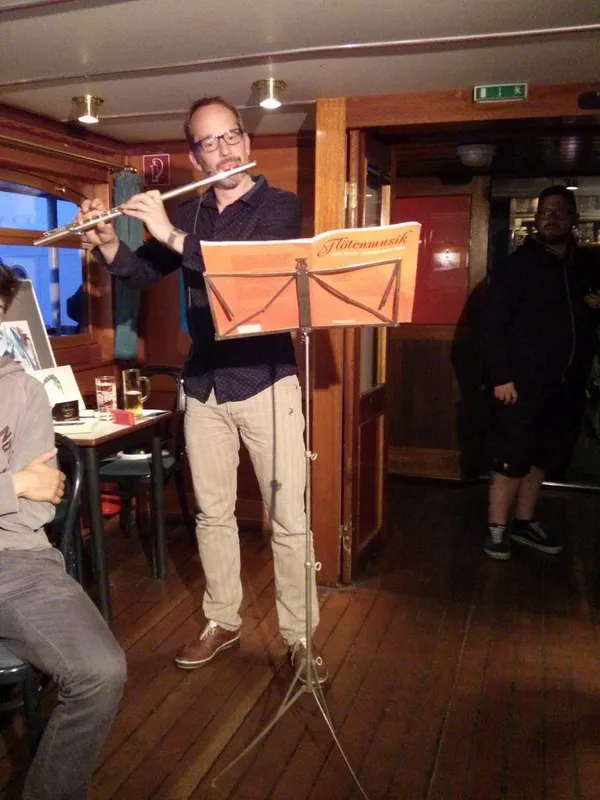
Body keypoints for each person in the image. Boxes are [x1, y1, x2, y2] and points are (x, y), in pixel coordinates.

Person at [76, 96, 327, 684]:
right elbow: (141, 271)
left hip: (267, 379)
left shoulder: (278, 206)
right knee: (213, 515)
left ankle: (299, 638)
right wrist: (110, 241)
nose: (224, 150)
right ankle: (223, 619)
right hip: (204, 385)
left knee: (289, 518)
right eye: (210, 143)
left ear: (248, 142)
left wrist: (166, 231)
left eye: (231, 136)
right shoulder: (188, 216)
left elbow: (243, 273)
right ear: (194, 156)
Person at [0, 265, 127, 799]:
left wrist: (22, 491)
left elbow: (34, 513)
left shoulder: (23, 390)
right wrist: (12, 484)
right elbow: (21, 494)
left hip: (15, 560)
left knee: (102, 671)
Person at [481, 185, 600, 560]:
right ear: (535, 219)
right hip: (519, 385)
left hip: (566, 385)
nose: (552, 218)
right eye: (545, 212)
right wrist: (501, 376)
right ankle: (497, 529)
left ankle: (524, 522)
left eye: (560, 212)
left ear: (573, 219)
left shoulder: (584, 267)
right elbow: (491, 325)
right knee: (510, 458)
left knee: (541, 458)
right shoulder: (517, 266)